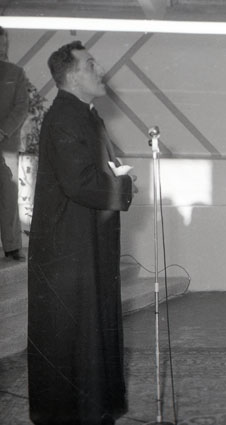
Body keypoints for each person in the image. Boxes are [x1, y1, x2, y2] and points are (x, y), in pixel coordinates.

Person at [28, 41, 134, 425]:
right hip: (69, 247)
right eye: (90, 65)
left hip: (83, 241)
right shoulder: (65, 117)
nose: (99, 69)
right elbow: (80, 182)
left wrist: (117, 178)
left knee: (86, 332)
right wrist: (124, 186)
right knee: (72, 335)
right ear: (72, 77)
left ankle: (93, 411)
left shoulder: (84, 115)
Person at [0, 26, 28, 261]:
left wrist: (2, 131)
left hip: (6, 144)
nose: (2, 48)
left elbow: (21, 107)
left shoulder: (16, 73)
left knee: (8, 195)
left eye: (4, 44)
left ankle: (11, 246)